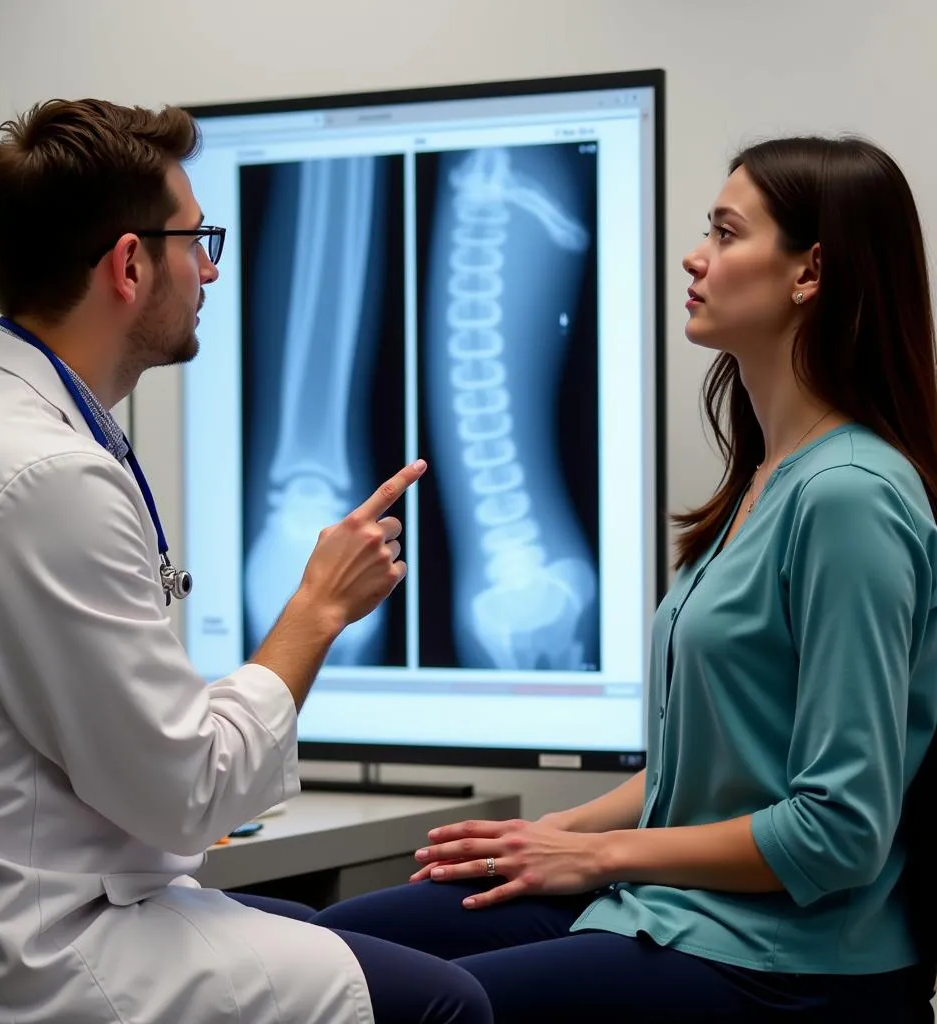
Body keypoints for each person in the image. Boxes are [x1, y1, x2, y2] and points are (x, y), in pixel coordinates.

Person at [310, 135, 937, 1022]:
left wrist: (601, 858)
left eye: (725, 233)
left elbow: (838, 830)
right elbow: (704, 771)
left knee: (407, 1008)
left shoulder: (849, 499)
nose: (696, 254)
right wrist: (548, 836)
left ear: (809, 274)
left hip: (791, 965)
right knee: (326, 949)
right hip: (673, 911)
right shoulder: (764, 480)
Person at [0, 99, 494, 1024]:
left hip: (42, 899)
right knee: (447, 1004)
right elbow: (185, 800)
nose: (212, 265)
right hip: (60, 949)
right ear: (131, 264)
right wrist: (318, 611)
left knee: (339, 929)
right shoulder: (48, 477)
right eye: (197, 238)